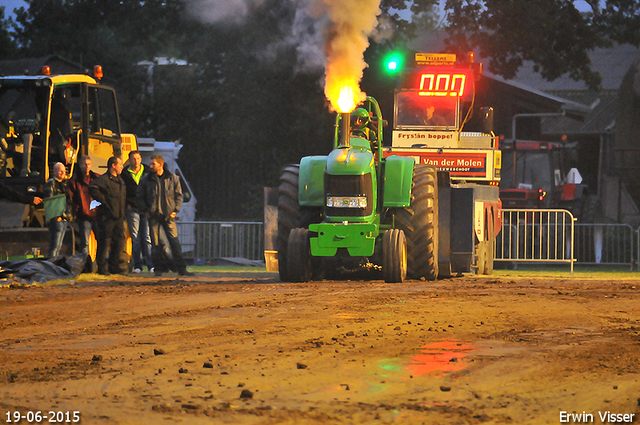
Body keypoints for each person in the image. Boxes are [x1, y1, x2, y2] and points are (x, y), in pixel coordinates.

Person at [137, 154, 194, 277]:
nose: (151, 166)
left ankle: (181, 269)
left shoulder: (173, 178)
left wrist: (175, 210)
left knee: (174, 243)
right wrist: (146, 210)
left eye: (153, 164)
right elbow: (139, 197)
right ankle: (158, 269)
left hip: (168, 216)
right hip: (153, 216)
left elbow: (179, 195)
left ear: (160, 164)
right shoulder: (145, 180)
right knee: (155, 244)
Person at [89, 156, 127, 275]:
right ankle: (102, 268)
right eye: (120, 164)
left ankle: (113, 267)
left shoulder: (120, 180)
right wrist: (104, 201)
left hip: (119, 217)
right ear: (113, 166)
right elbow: (92, 187)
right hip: (107, 217)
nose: (122, 167)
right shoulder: (104, 179)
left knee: (119, 242)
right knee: (105, 242)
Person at [121, 150, 153, 273]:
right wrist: (127, 205)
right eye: (133, 158)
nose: (136, 161)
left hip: (145, 209)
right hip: (132, 209)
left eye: (138, 158)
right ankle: (138, 266)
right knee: (135, 239)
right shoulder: (125, 173)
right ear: (129, 160)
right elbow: (122, 192)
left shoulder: (147, 172)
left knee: (147, 238)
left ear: (141, 159)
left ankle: (151, 265)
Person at [67, 155, 99, 257]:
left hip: (97, 214)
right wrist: (76, 209)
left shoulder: (96, 178)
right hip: (83, 214)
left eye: (89, 164)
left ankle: (98, 263)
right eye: (85, 164)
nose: (87, 166)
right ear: (80, 165)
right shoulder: (74, 181)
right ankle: (84, 264)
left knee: (100, 240)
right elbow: (69, 197)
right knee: (84, 242)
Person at [43, 162, 70, 257]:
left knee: (58, 245)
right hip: (56, 219)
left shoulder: (64, 184)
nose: (63, 172)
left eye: (64, 171)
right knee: (54, 246)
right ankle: (51, 264)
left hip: (64, 218)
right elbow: (50, 201)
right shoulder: (51, 183)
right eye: (60, 170)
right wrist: (56, 217)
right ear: (54, 171)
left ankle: (54, 264)